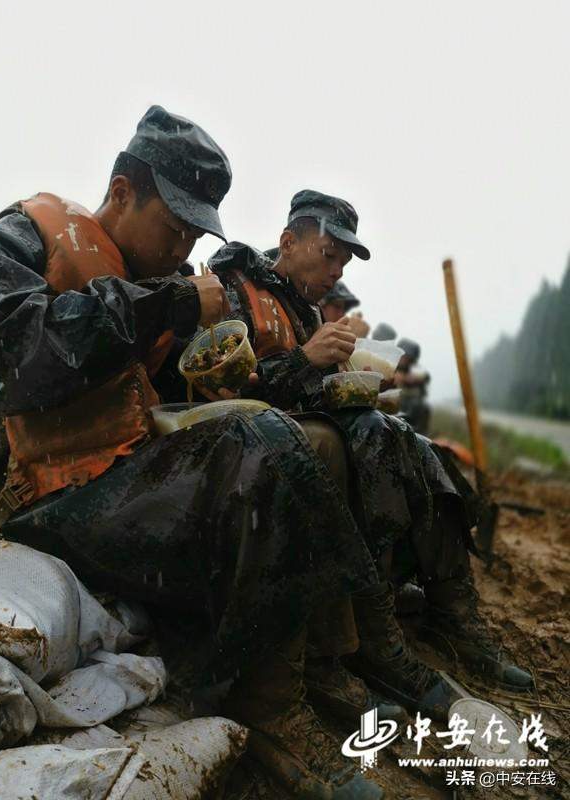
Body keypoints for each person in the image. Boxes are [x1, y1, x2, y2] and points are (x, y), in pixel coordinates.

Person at [0, 113, 383, 799]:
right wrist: (166, 306)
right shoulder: (24, 236)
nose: (183, 248)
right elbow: (7, 354)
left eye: (196, 236)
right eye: (176, 229)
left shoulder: (152, 278)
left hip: (112, 485)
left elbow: (146, 404)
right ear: (124, 192)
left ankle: (350, 650)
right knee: (266, 443)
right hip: (33, 500)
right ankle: (269, 705)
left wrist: (214, 379)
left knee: (275, 435)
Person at [208, 189, 533, 714]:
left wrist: (347, 380)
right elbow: (224, 395)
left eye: (343, 260)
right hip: (254, 448)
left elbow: (308, 389)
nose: (336, 271)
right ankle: (377, 639)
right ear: (289, 242)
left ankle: (453, 612)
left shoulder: (303, 307)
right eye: (329, 254)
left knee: (416, 446)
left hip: (307, 432)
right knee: (372, 437)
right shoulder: (233, 290)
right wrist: (305, 361)